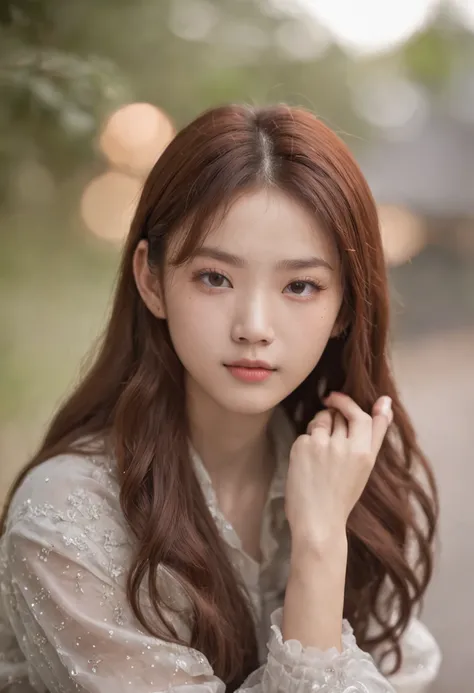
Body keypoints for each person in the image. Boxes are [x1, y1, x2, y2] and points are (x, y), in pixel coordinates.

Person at [0, 104, 441, 693]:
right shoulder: (66, 516)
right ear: (152, 280)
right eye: (214, 277)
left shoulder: (348, 477)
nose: (254, 325)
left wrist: (325, 529)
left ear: (344, 308)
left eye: (300, 285)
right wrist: (317, 549)